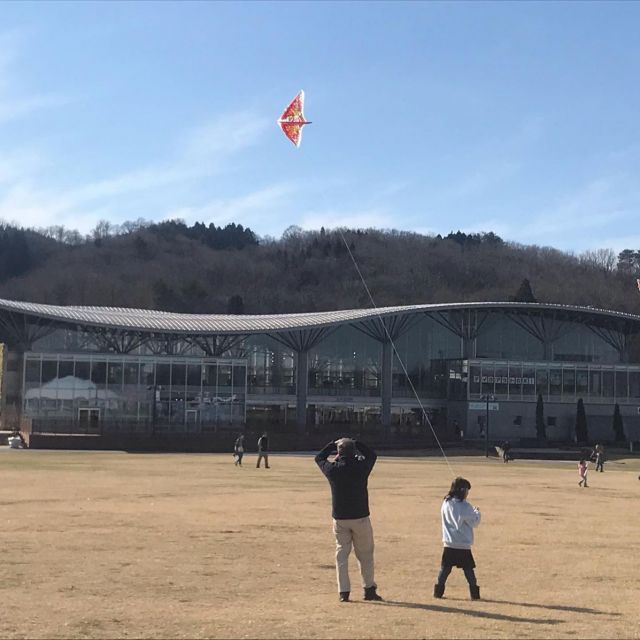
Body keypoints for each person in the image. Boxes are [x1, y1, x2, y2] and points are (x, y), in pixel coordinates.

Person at [315, 437, 382, 603]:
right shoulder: (361, 467)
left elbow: (319, 458)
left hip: (340, 517)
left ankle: (343, 591)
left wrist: (332, 444)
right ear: (354, 452)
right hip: (360, 516)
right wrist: (357, 442)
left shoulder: (333, 470)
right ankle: (368, 589)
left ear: (339, 453)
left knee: (341, 555)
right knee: (365, 555)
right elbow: (372, 455)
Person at [434, 477, 481, 600]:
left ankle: (438, 592)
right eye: (466, 490)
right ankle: (474, 594)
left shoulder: (446, 503)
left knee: (445, 570)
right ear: (461, 490)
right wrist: (477, 512)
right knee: (468, 570)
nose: (467, 493)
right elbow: (474, 522)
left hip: (449, 543)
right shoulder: (465, 506)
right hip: (463, 544)